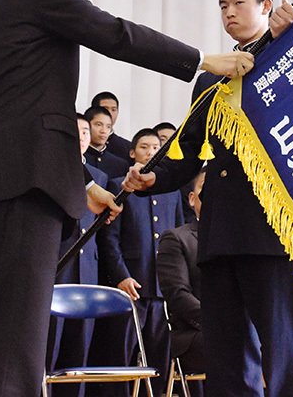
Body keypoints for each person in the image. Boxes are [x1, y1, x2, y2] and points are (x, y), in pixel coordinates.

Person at [0, 0, 252, 397]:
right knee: (16, 339)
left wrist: (83, 184)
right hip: (23, 188)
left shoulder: (7, 0)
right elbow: (113, 32)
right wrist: (202, 59)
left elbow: (26, 109)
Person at [124, 0, 293, 396]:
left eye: (238, 2)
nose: (228, 12)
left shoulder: (291, 52)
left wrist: (288, 42)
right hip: (220, 229)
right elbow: (187, 147)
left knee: (285, 353)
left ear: (266, 6)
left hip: (272, 229)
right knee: (227, 356)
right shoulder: (211, 77)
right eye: (223, 5)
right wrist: (153, 177)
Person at [95, 128, 184, 397]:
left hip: (162, 289)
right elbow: (109, 239)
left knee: (160, 360)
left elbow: (178, 238)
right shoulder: (118, 185)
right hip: (130, 286)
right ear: (133, 152)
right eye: (144, 147)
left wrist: (175, 282)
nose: (150, 152)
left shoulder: (173, 192)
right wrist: (120, 276)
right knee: (122, 357)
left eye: (156, 147)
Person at [46, 114, 107, 397]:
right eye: (77, 131)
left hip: (88, 268)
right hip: (59, 262)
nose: (82, 136)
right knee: (50, 342)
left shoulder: (101, 178)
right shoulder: (52, 169)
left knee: (80, 350)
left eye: (85, 131)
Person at [157, 169, 206, 397]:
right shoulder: (177, 238)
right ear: (192, 198)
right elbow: (177, 295)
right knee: (239, 344)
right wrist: (219, 322)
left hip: (242, 329)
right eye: (206, 187)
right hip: (194, 334)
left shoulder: (241, 241)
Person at [84, 105, 129, 180]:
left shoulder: (120, 165)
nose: (104, 131)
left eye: (108, 127)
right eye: (98, 125)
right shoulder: (78, 158)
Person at [91, 91, 132, 165]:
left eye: (113, 109)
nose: (110, 113)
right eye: (105, 108)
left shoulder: (127, 147)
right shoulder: (82, 143)